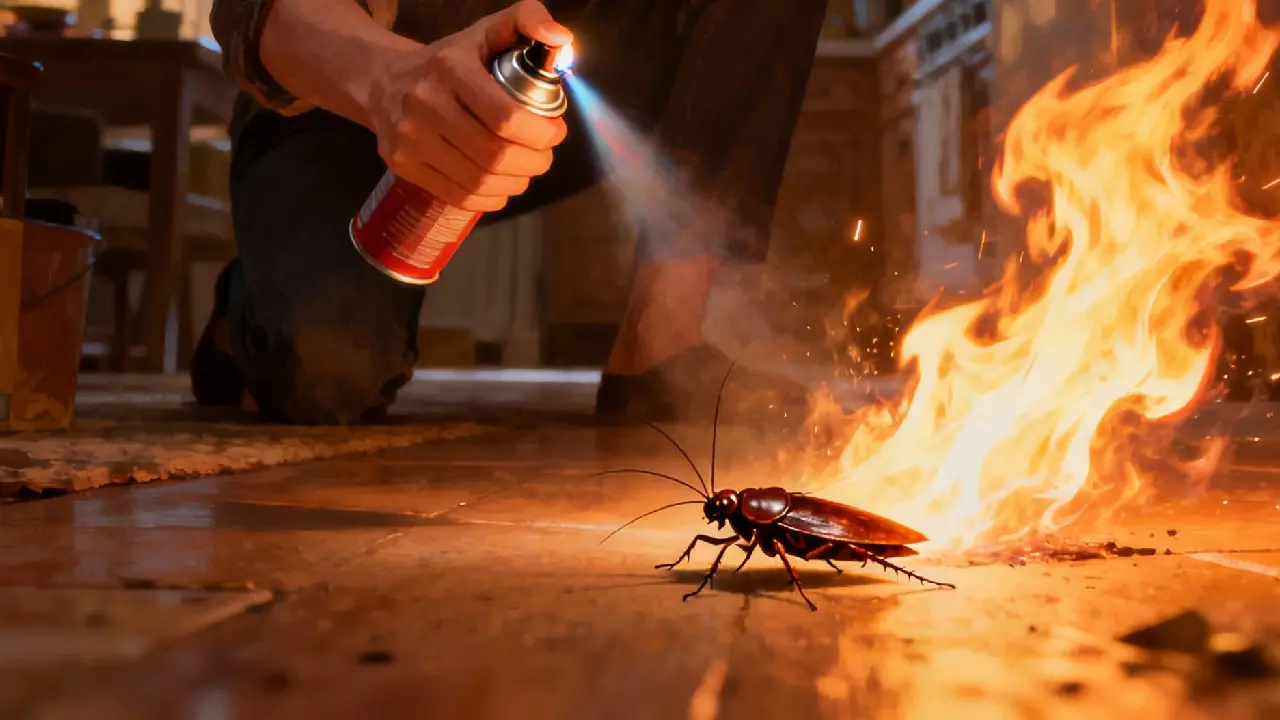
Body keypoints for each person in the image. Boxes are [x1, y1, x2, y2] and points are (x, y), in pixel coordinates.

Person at [196, 0, 827, 425]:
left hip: (564, 92)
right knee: (323, 375)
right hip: (332, 97)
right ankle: (245, 308)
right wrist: (390, 81)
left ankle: (660, 341)